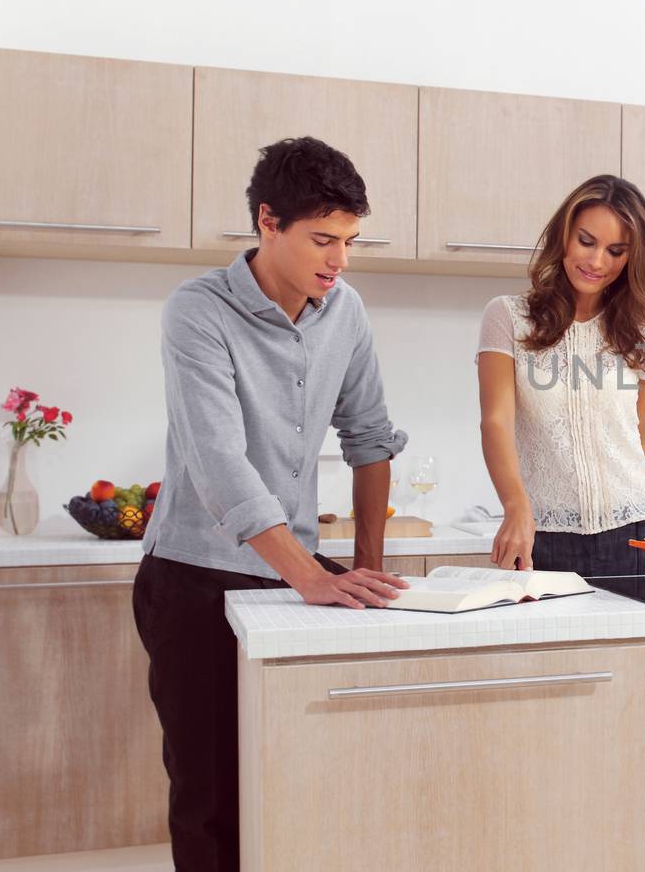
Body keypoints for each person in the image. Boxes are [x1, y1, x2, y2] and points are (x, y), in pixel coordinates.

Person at [133, 136, 410, 872]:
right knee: (211, 798)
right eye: (323, 238)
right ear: (267, 221)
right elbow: (218, 461)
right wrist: (310, 575)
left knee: (299, 785)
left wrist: (366, 570)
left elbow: (371, 436)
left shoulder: (344, 312)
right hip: (194, 579)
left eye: (350, 240)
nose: (339, 260)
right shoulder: (198, 312)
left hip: (292, 580)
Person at [477, 174, 645, 574]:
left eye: (615, 251)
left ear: (632, 257)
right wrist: (515, 506)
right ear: (564, 235)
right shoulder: (507, 317)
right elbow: (496, 422)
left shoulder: (637, 333)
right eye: (586, 241)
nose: (596, 262)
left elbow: (635, 442)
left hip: (639, 533)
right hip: (544, 536)